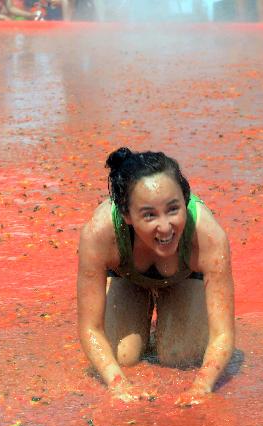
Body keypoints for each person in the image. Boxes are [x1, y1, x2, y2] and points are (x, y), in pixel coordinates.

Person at [77, 148, 235, 405]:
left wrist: (201, 386)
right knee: (123, 357)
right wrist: (119, 385)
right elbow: (89, 328)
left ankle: (168, 302)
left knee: (179, 355)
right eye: (149, 214)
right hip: (127, 277)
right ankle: (142, 301)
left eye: (173, 209)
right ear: (127, 215)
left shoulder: (207, 235)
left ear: (185, 200)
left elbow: (223, 333)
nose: (164, 227)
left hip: (184, 277)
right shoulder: (99, 233)